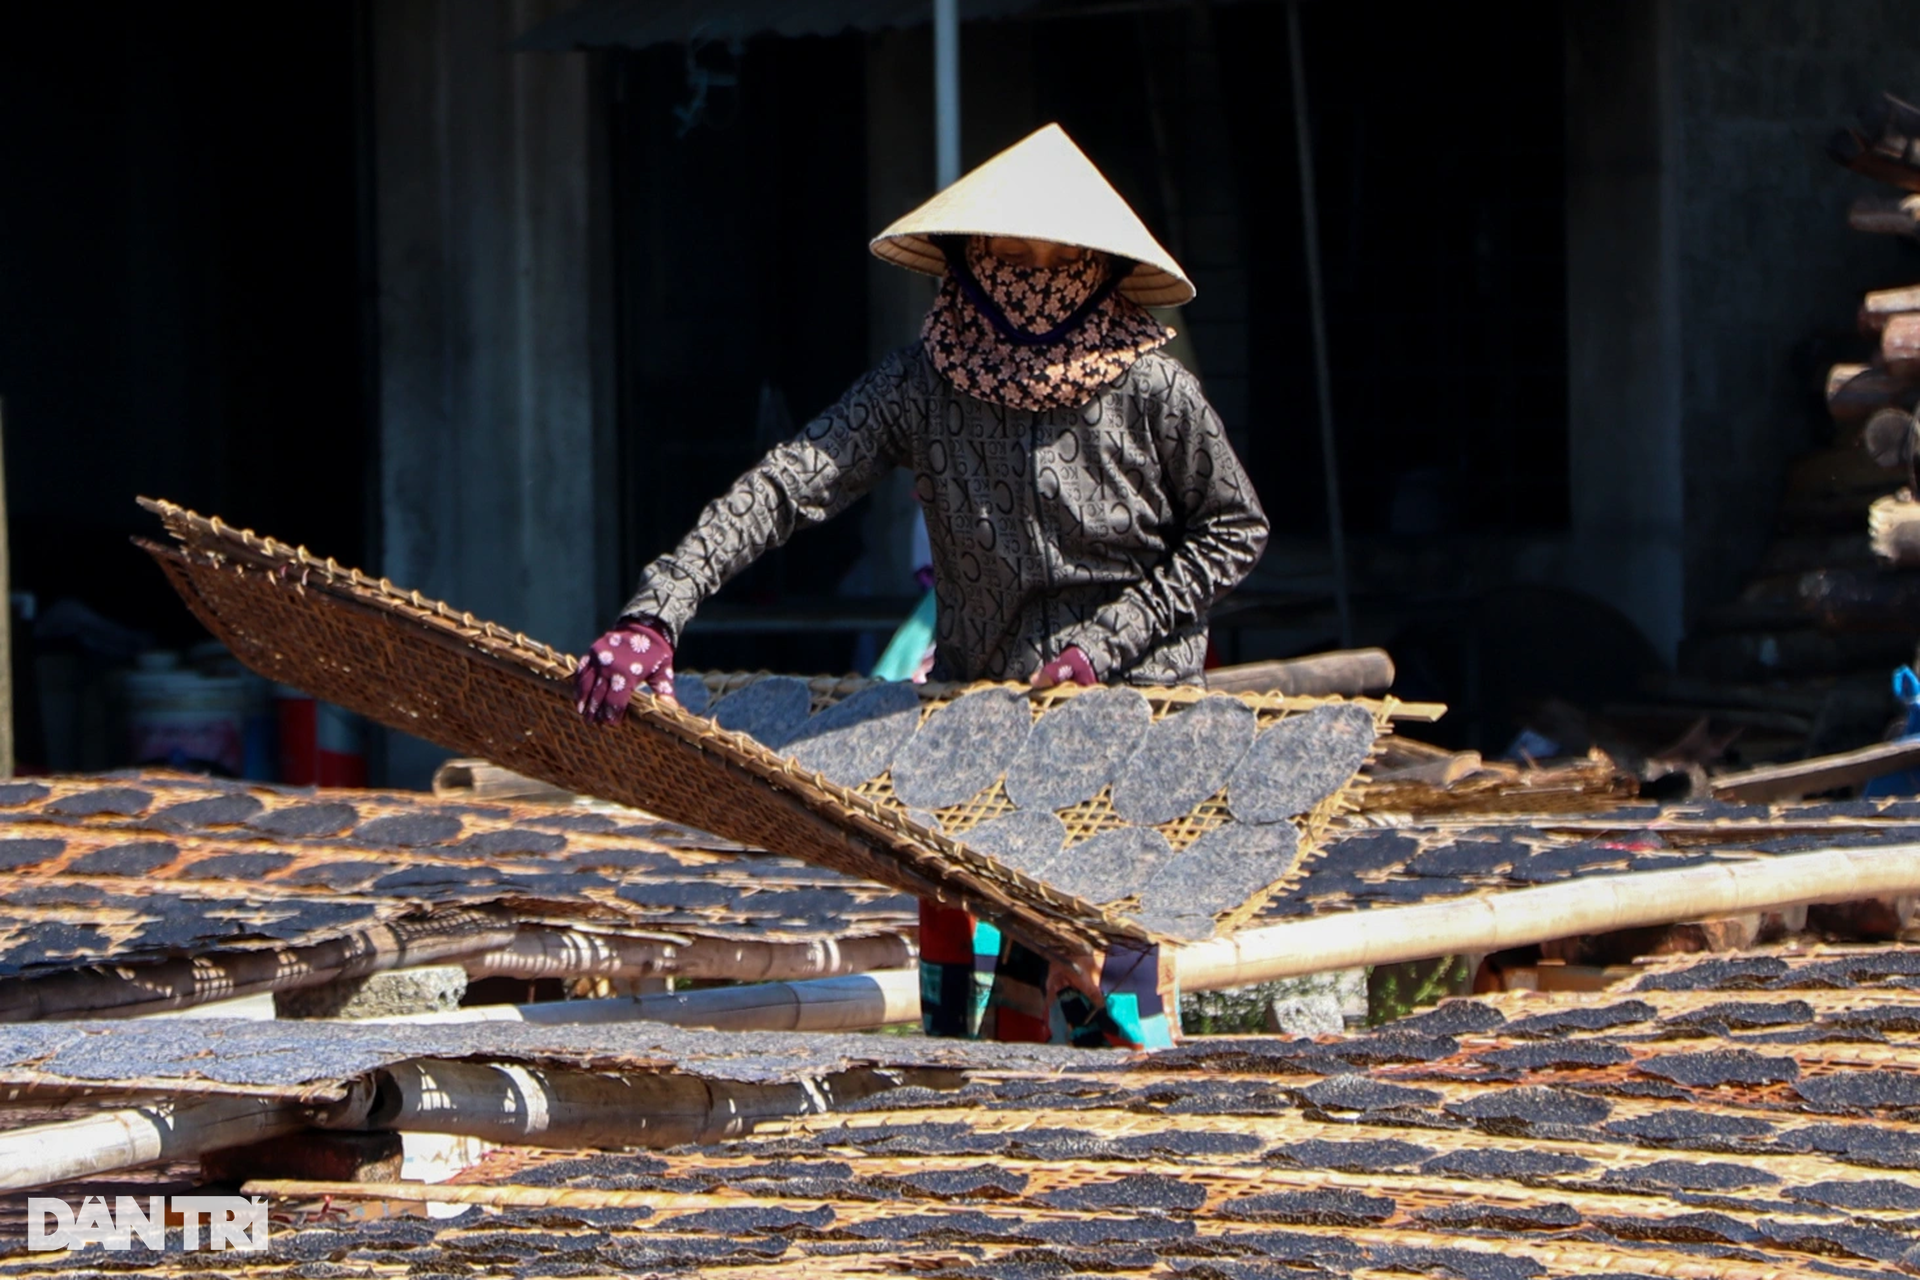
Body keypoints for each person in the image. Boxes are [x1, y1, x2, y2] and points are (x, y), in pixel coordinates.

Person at [574, 124, 1269, 1045]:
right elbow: (785, 485)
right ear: (967, 258)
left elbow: (1235, 529)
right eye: (1006, 253)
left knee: (1109, 1001)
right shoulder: (921, 384)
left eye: (1051, 256)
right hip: (985, 707)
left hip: (1130, 719)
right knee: (981, 994)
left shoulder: (1153, 391)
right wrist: (656, 611)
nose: (1027, 275)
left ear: (1094, 263)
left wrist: (1102, 647)